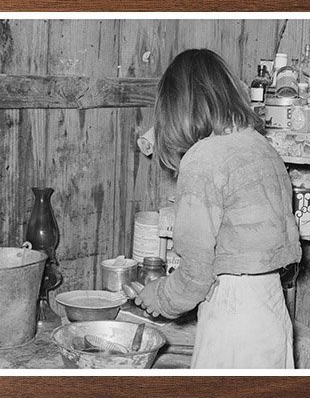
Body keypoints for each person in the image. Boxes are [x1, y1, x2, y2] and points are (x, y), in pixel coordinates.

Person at [129, 48, 301, 369]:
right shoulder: (261, 146)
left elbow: (196, 275)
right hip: (271, 306)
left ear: (176, 107)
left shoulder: (203, 158)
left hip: (234, 313)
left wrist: (162, 297)